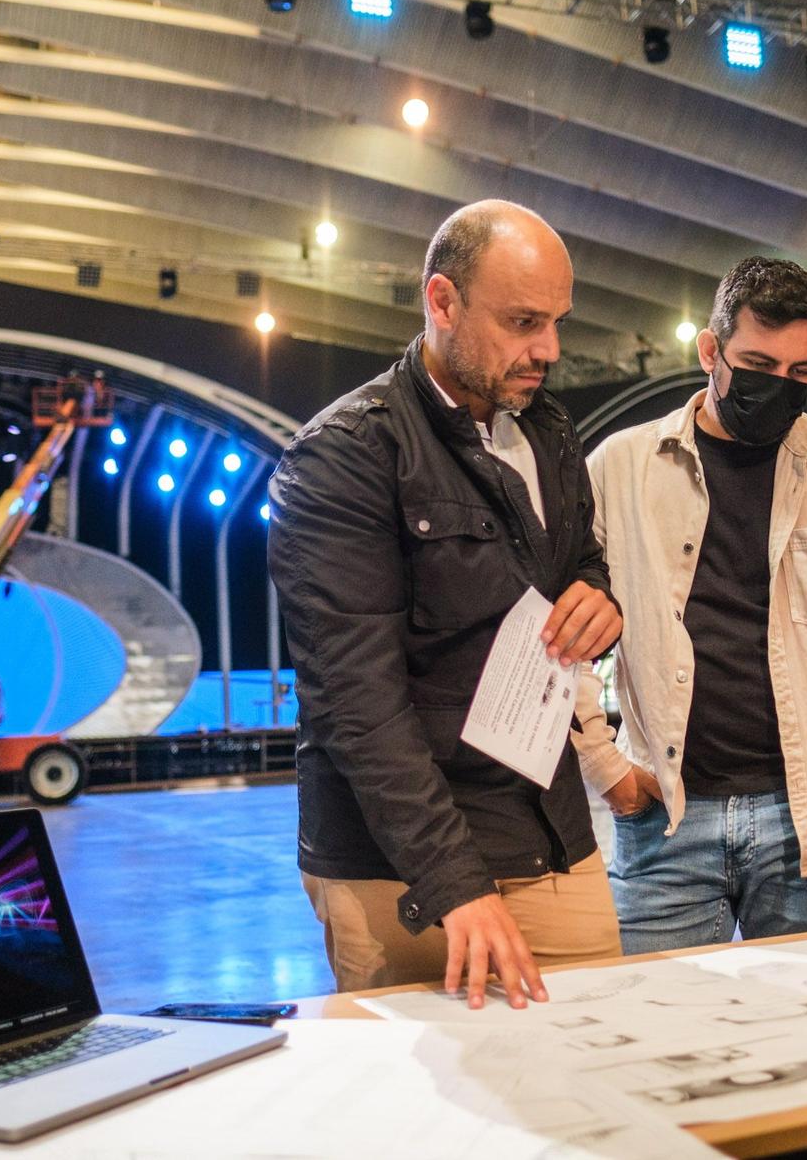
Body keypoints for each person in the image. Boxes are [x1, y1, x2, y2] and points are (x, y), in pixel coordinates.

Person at [268, 199, 625, 1010]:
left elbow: (581, 562)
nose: (550, 350)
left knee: (604, 1081)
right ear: (443, 302)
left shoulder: (551, 431)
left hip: (550, 830)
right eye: (524, 320)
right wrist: (456, 881)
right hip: (397, 866)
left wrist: (599, 600)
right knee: (428, 1121)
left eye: (558, 321)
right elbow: (358, 706)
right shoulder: (343, 457)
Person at [573, 256, 807, 952]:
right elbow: (559, 632)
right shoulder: (620, 467)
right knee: (663, 1040)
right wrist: (603, 764)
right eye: (757, 364)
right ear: (710, 350)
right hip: (664, 819)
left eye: (801, 374)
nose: (778, 387)